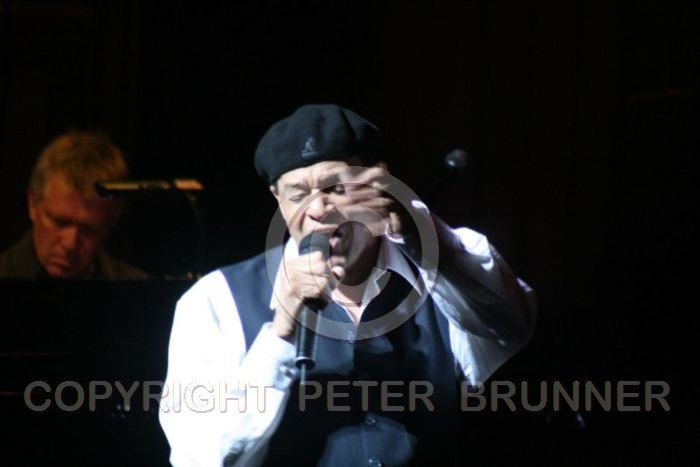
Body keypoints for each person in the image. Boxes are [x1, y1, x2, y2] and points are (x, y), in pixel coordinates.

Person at [159, 104, 537, 466]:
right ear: (277, 198)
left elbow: (512, 326)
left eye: (336, 188)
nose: (317, 209)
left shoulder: (447, 266)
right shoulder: (216, 298)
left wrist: (424, 236)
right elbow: (199, 455)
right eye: (298, 194)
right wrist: (280, 334)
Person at [0, 129, 146, 279]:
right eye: (59, 222)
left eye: (89, 229)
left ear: (111, 224)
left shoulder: (137, 287)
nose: (70, 244)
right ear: (32, 204)